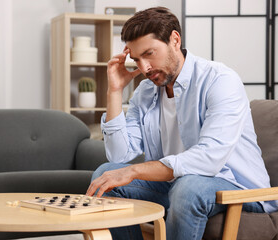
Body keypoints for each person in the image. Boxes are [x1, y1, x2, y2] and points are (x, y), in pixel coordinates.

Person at [85, 6, 278, 240]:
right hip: (176, 184)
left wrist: (135, 171)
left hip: (236, 188)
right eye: (137, 59)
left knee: (188, 187)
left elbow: (209, 158)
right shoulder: (146, 91)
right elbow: (118, 156)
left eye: (149, 53)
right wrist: (114, 91)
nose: (144, 68)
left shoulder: (220, 80)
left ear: (174, 40)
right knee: (104, 176)